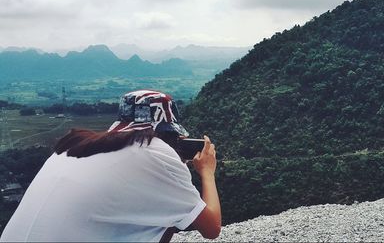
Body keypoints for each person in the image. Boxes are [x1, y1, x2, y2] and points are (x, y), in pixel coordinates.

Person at [0, 90, 221, 242]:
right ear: (166, 131)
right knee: (169, 216)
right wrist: (206, 172)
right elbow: (211, 228)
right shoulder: (156, 150)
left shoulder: (74, 146)